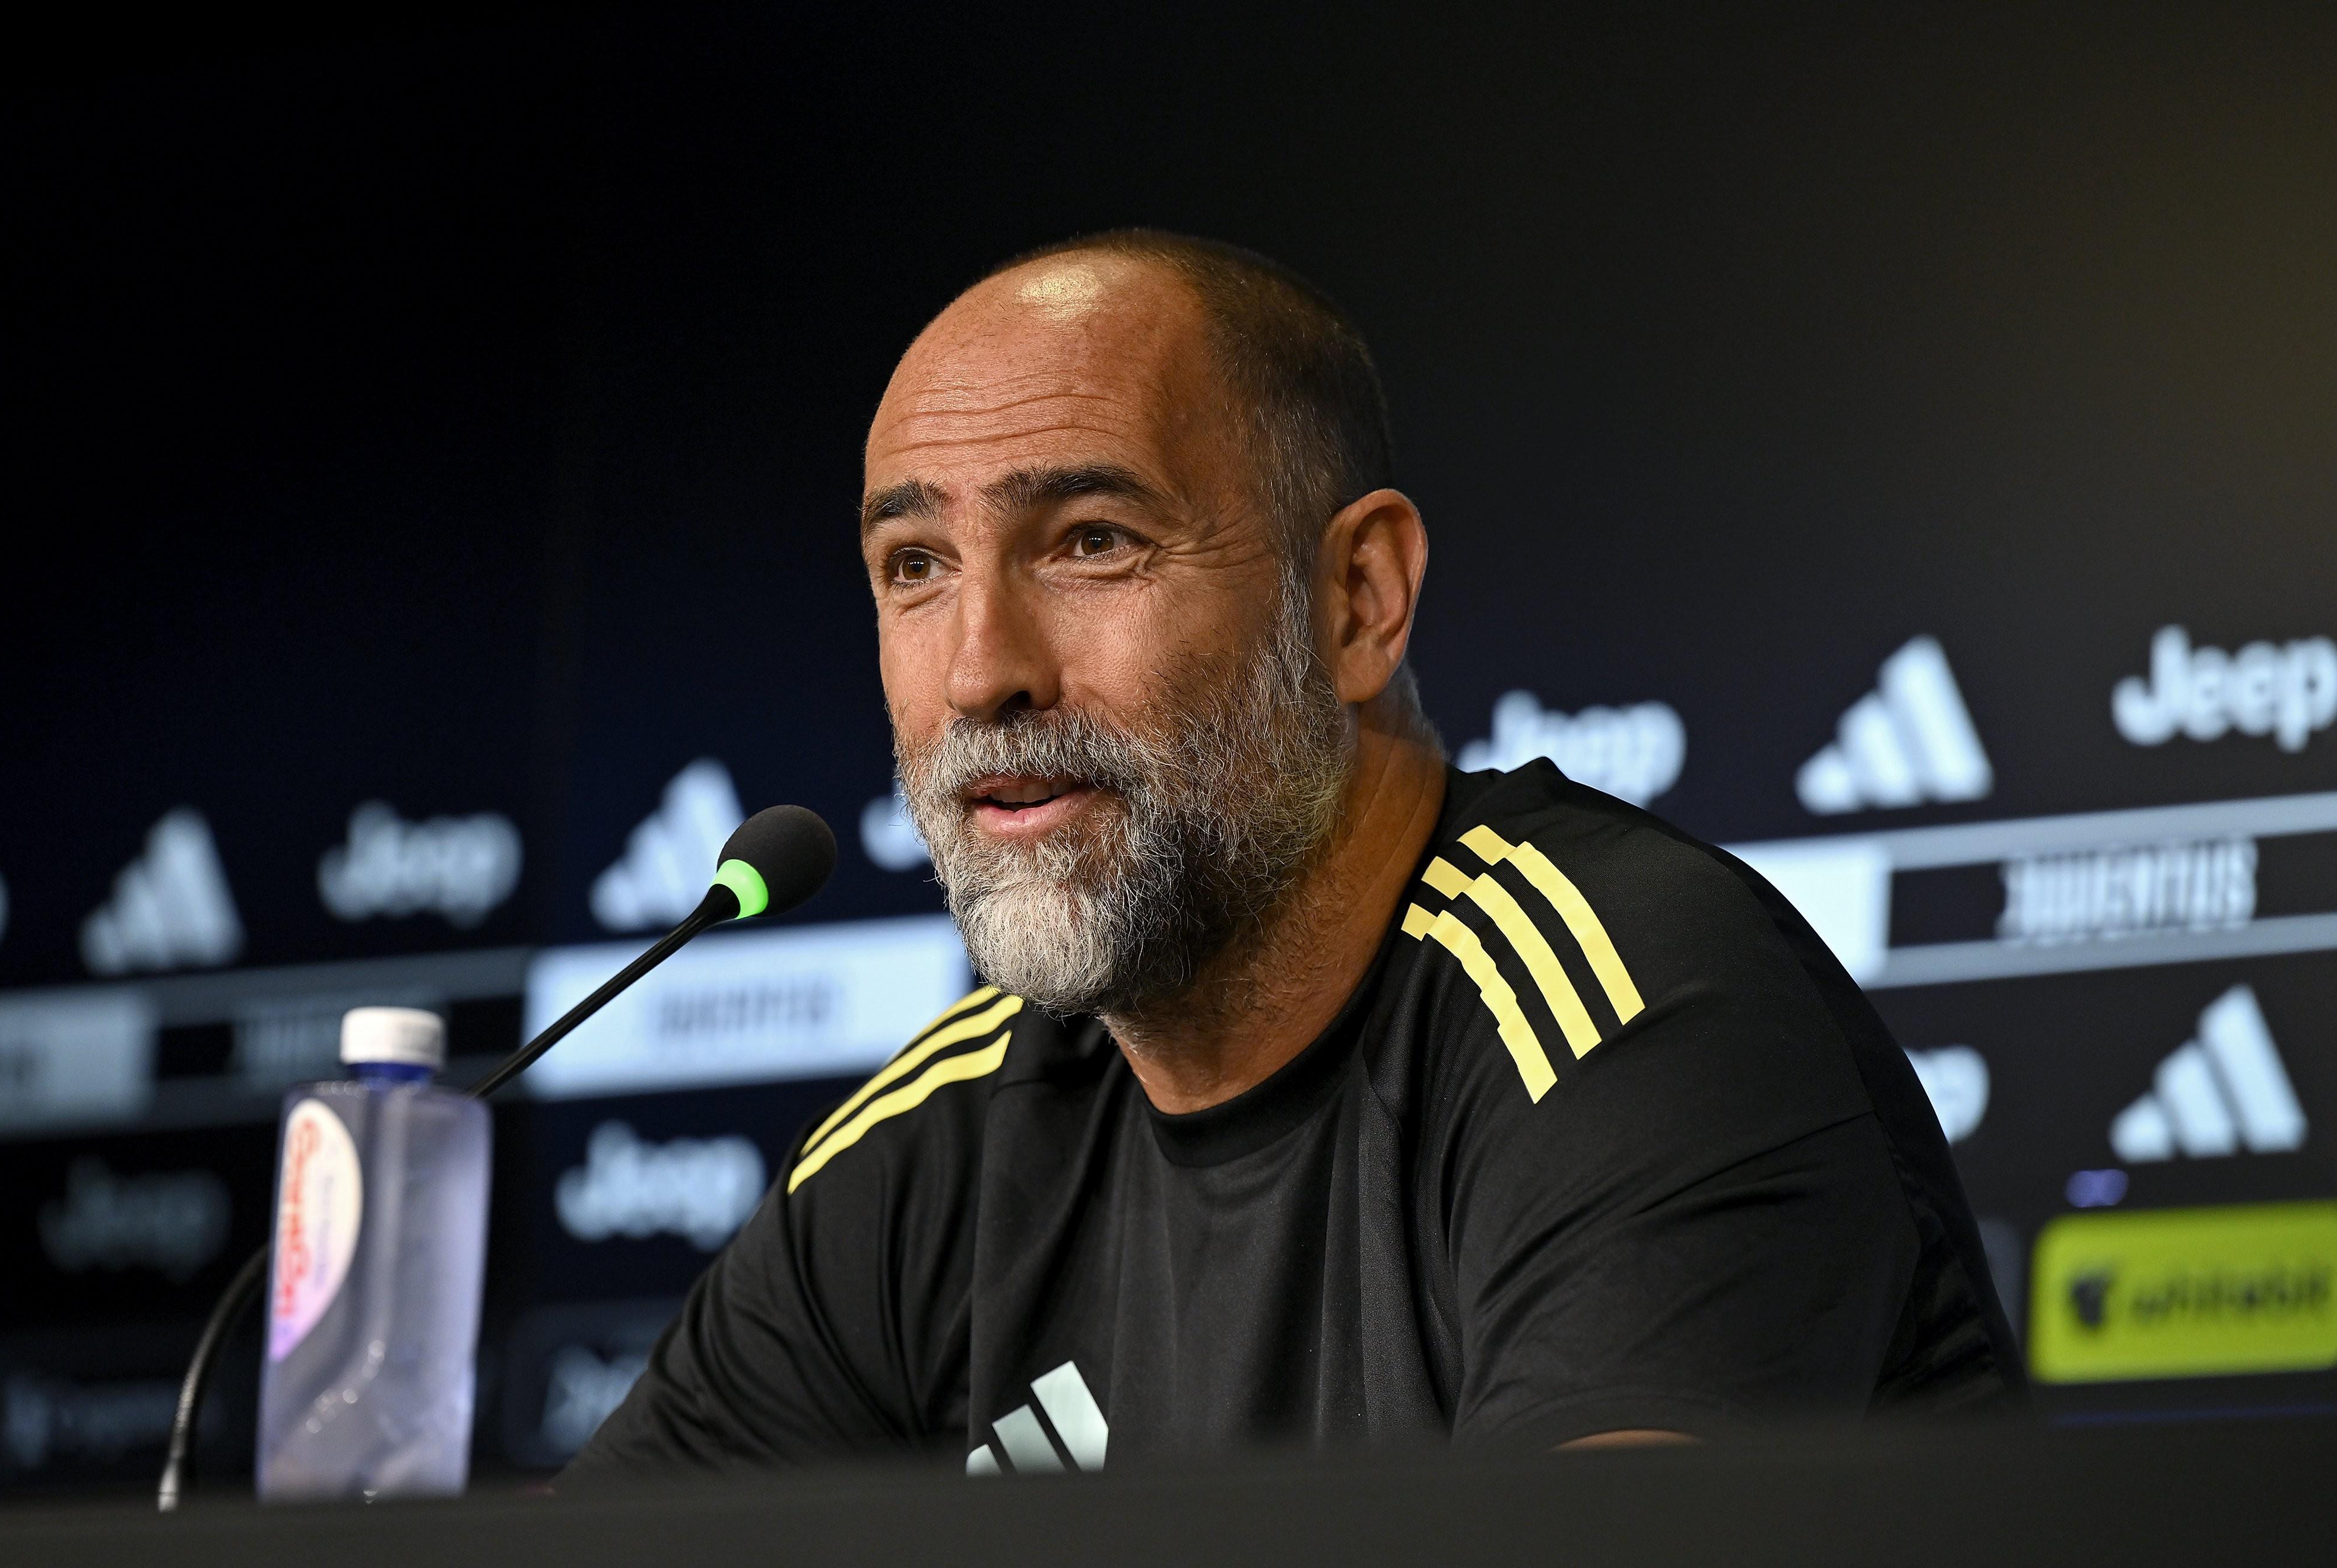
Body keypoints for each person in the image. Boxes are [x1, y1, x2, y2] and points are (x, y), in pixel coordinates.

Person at [565, 230, 2023, 1480]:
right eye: (915, 568)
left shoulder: (1634, 1018)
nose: (978, 672)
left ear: (1355, 599)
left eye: (1090, 541)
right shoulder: (928, 1153)